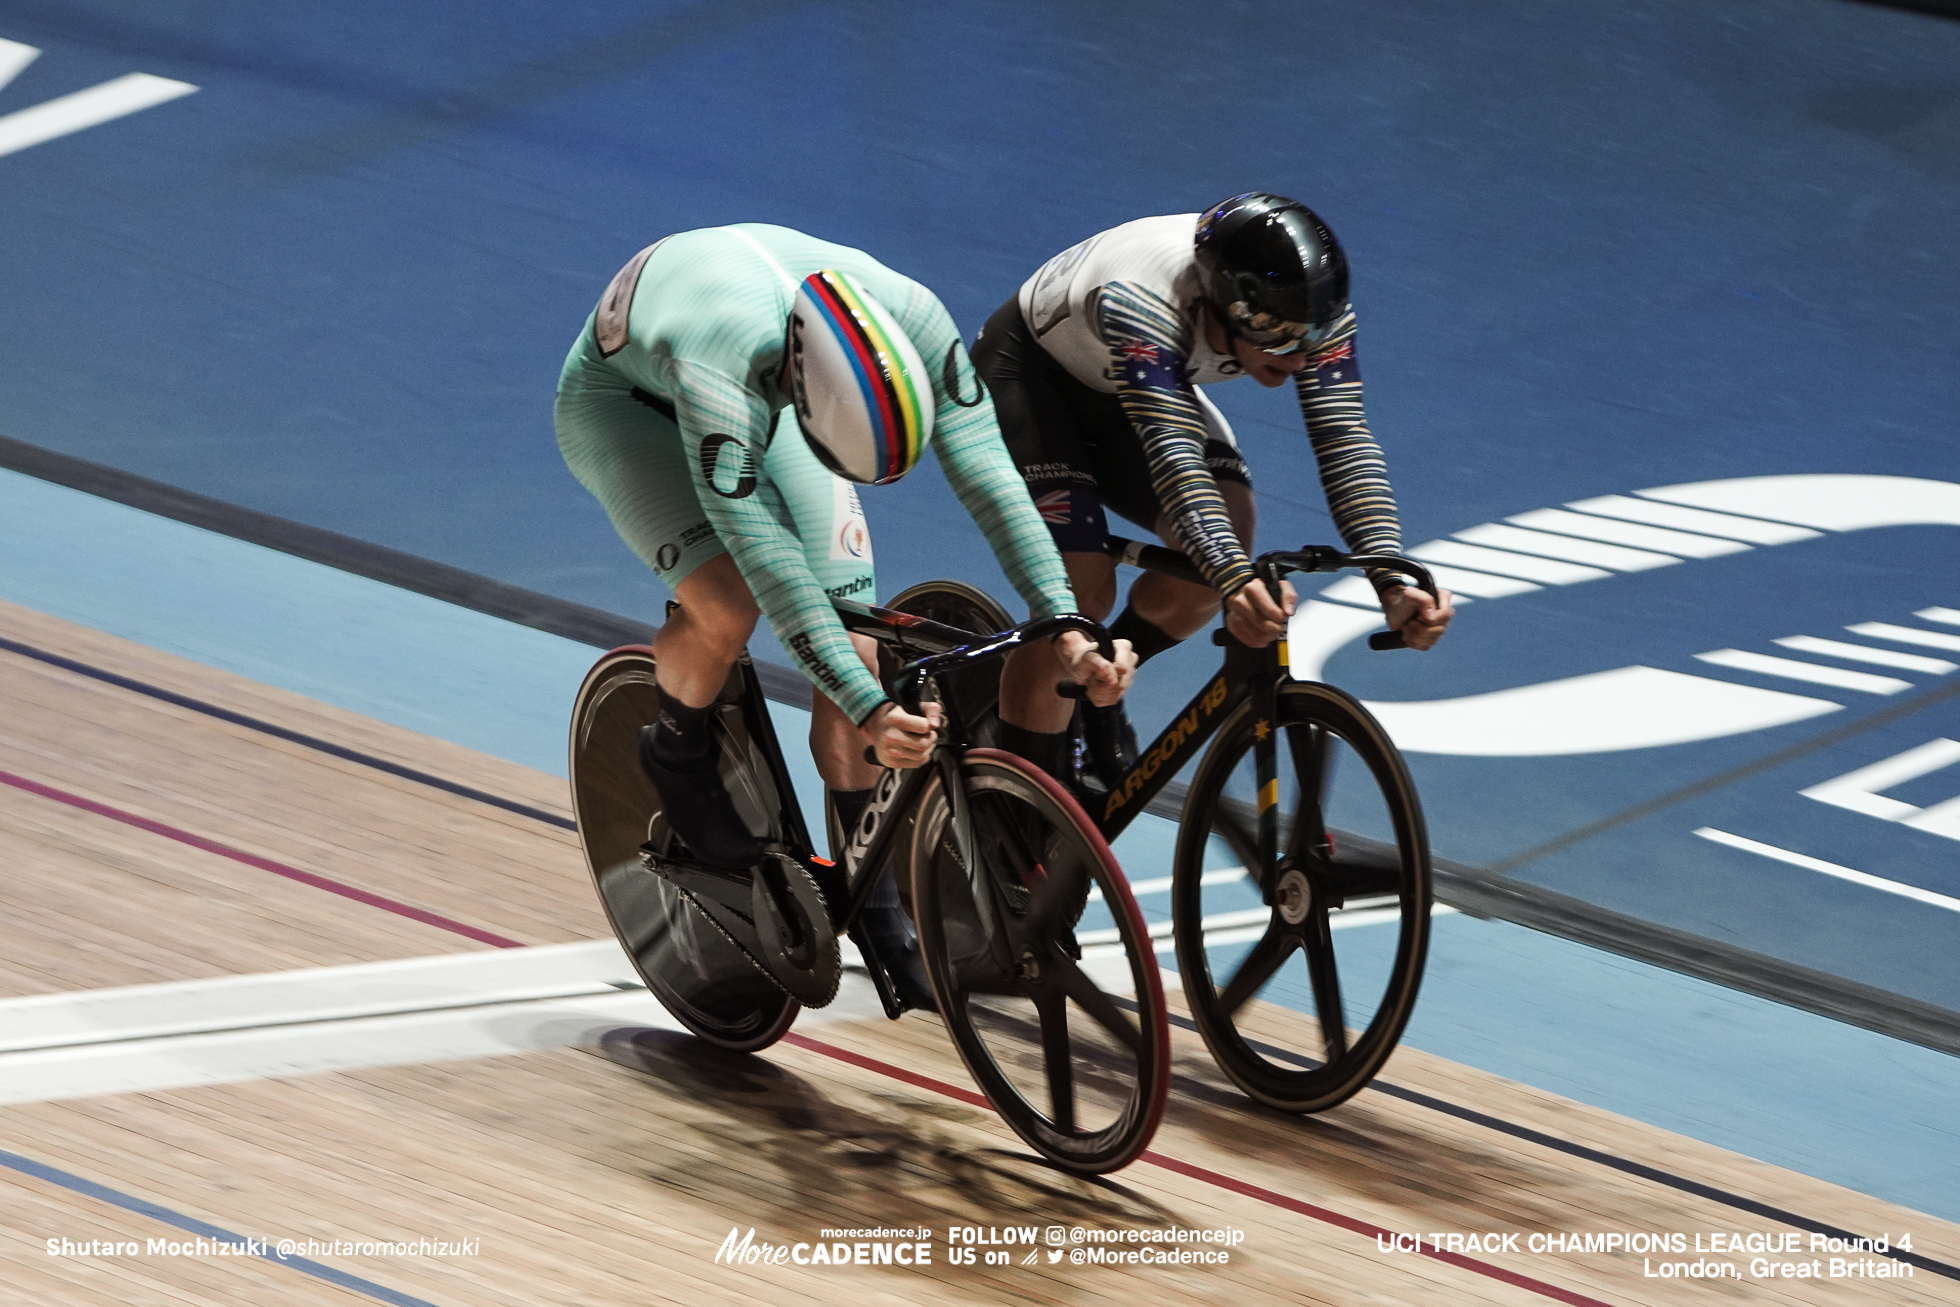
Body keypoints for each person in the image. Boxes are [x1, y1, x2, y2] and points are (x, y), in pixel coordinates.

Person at [554, 223, 1135, 1008]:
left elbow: (995, 481)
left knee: (856, 641)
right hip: (631, 406)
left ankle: (876, 905)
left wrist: (1065, 622)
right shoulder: (715, 365)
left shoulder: (918, 320)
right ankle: (677, 747)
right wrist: (871, 712)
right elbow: (776, 573)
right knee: (729, 604)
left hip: (784, 387)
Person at [970, 193, 1453, 778]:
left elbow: (1344, 441)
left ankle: (1097, 688)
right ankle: (1016, 809)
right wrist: (1231, 576)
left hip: (1136, 385)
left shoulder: (1310, 313)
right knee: (1081, 595)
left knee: (1229, 533)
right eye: (1274, 337)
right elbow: (1173, 455)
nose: (1297, 358)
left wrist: (1392, 577)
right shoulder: (1144, 299)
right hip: (1032, 379)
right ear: (1221, 306)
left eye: (1309, 339)